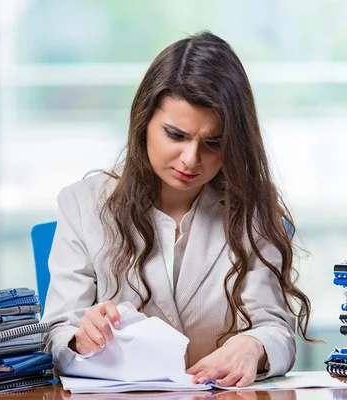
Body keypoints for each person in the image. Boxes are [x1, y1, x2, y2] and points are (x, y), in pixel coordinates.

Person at [41, 31, 313, 388]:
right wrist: (81, 338)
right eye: (175, 135)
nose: (191, 159)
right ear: (144, 123)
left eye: (213, 143)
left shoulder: (252, 211)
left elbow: (276, 329)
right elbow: (56, 333)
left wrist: (255, 346)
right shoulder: (82, 204)